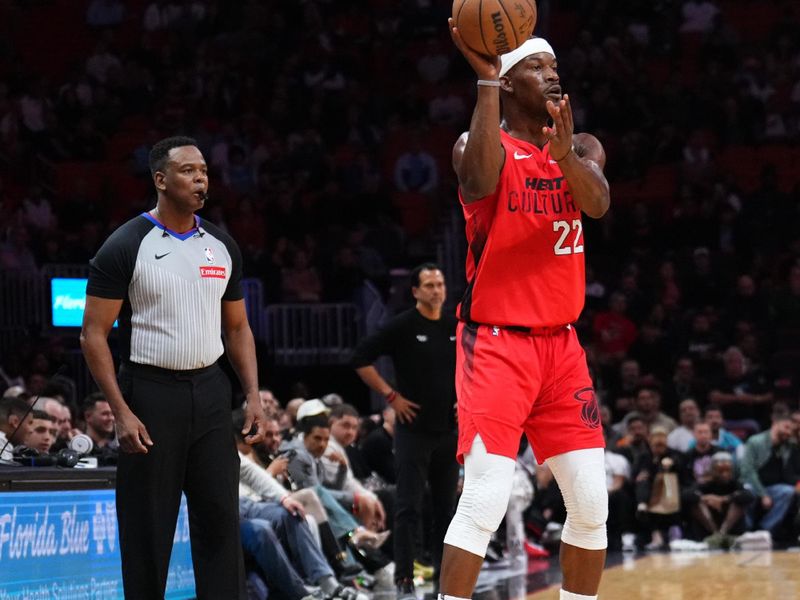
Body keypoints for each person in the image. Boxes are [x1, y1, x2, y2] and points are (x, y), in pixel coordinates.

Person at [445, 24, 611, 600]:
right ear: (510, 81)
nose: (553, 74)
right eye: (538, 68)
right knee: (486, 497)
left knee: (592, 502)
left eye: (554, 66)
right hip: (496, 343)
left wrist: (563, 155)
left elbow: (598, 203)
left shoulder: (581, 145)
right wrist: (484, 81)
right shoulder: (477, 145)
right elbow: (477, 179)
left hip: (562, 349)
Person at [80, 135, 268, 599]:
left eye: (203, 170)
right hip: (149, 391)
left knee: (221, 520)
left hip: (209, 392)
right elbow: (93, 334)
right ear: (160, 180)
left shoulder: (221, 246)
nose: (200, 178)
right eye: (188, 170)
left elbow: (239, 329)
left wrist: (253, 395)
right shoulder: (125, 245)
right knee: (149, 529)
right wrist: (120, 410)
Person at [352, 263, 458, 598]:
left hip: (449, 429)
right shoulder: (403, 325)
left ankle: (446, 575)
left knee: (447, 508)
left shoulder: (454, 325)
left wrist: (466, 398)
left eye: (439, 284)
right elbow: (360, 358)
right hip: (413, 431)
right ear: (414, 291)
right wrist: (391, 396)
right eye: (428, 285)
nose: (435, 290)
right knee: (407, 506)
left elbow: (474, 364)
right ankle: (404, 577)